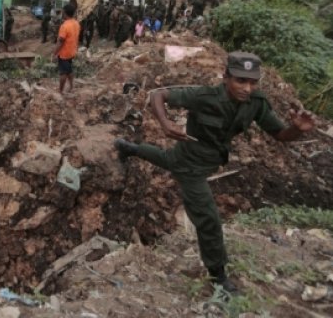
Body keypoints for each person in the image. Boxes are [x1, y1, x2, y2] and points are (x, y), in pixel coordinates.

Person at [114, 52, 315, 293]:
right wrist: (166, 125)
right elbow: (159, 95)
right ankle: (218, 276)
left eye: (252, 82)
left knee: (168, 159)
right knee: (209, 220)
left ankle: (129, 148)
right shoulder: (204, 96)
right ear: (225, 78)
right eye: (241, 81)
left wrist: (297, 129)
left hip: (203, 159)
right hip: (191, 166)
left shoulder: (256, 104)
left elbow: (281, 135)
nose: (247, 88)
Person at [52, 3, 81, 94]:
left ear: (65, 13)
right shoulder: (76, 23)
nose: (62, 14)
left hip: (64, 53)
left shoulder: (65, 26)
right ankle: (72, 86)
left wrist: (54, 53)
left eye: (62, 12)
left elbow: (60, 41)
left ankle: (60, 91)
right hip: (72, 51)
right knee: (69, 70)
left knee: (63, 73)